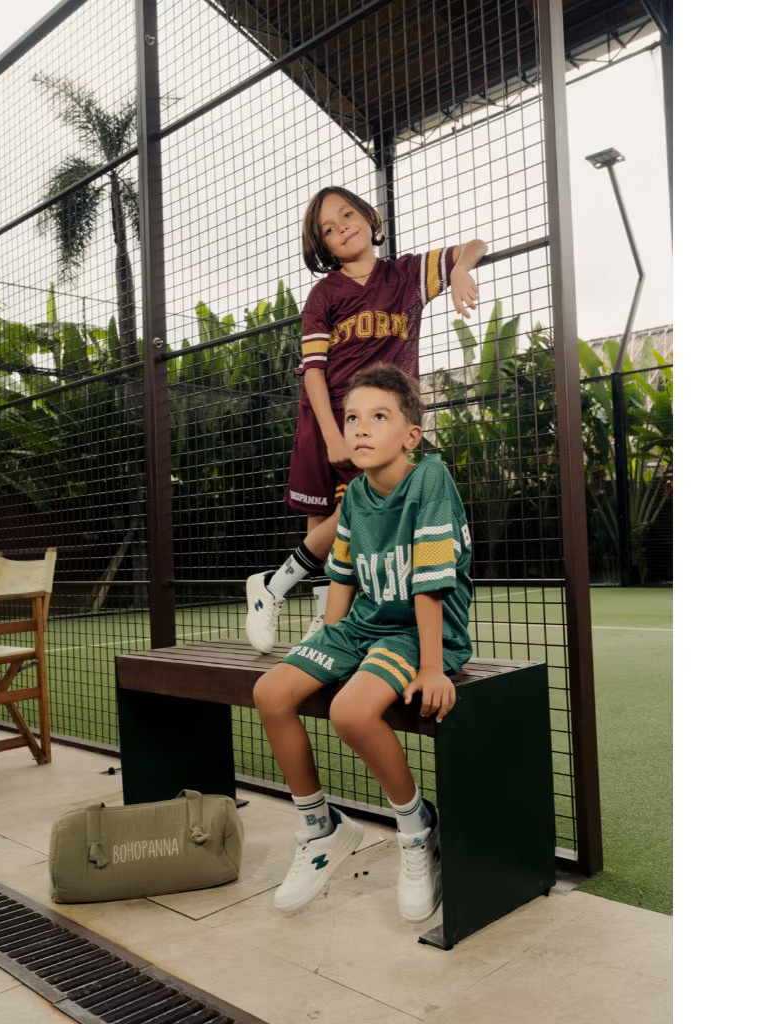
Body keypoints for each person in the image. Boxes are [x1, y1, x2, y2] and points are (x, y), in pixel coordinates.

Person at [252, 363, 474, 922]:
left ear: (411, 435)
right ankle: (320, 827)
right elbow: (343, 578)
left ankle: (417, 828)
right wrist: (329, 644)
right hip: (365, 626)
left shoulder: (430, 480)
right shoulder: (353, 496)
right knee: (270, 692)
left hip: (422, 632)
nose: (360, 428)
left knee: (351, 712)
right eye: (352, 418)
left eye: (379, 417)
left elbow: (430, 585)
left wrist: (432, 668)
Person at [244, 185, 485, 652]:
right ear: (323, 246)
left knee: (347, 515)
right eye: (328, 229)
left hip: (374, 425)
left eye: (347, 215)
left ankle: (275, 583)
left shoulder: (407, 275)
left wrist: (459, 269)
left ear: (369, 217)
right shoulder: (324, 294)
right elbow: (314, 371)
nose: (342, 228)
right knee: (323, 521)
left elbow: (475, 245)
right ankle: (322, 622)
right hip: (325, 419)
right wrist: (331, 435)